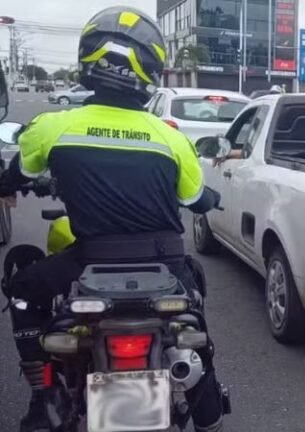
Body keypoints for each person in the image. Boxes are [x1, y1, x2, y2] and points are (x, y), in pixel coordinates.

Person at [0, 7, 226, 432]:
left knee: (24, 287)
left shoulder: (54, 126)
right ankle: (207, 406)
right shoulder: (171, 137)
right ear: (151, 70)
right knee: (195, 316)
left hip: (89, 261)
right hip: (165, 263)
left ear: (89, 60)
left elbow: (16, 176)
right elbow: (196, 200)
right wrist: (211, 197)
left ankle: (44, 394)